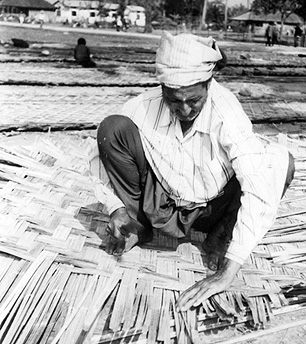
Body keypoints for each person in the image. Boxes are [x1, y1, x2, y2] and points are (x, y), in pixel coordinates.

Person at [96, 31, 295, 312]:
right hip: (161, 207)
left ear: (208, 83)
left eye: (194, 100)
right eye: (174, 101)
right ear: (162, 88)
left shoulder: (226, 111)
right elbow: (97, 154)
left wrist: (228, 273)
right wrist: (116, 206)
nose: (185, 109)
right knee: (112, 129)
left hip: (211, 209)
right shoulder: (143, 105)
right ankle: (138, 226)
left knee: (278, 161)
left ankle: (222, 233)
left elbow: (258, 186)